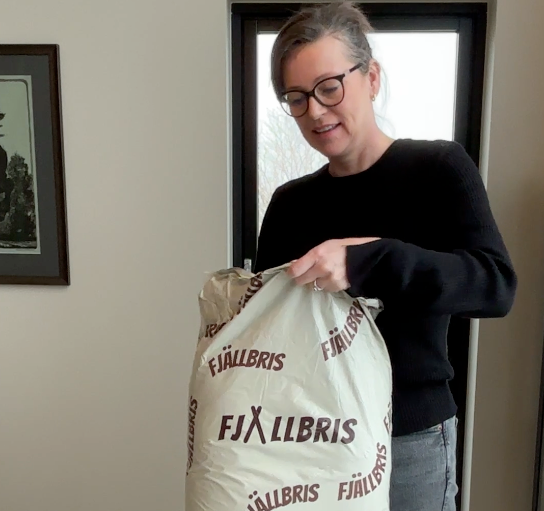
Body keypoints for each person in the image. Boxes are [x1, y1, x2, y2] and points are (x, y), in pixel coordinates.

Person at [253, 2, 517, 510]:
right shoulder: (289, 203)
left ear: (371, 77)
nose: (316, 111)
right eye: (297, 98)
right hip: (310, 435)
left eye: (330, 87)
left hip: (410, 439)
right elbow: (271, 327)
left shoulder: (439, 169)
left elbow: (495, 285)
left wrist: (370, 260)